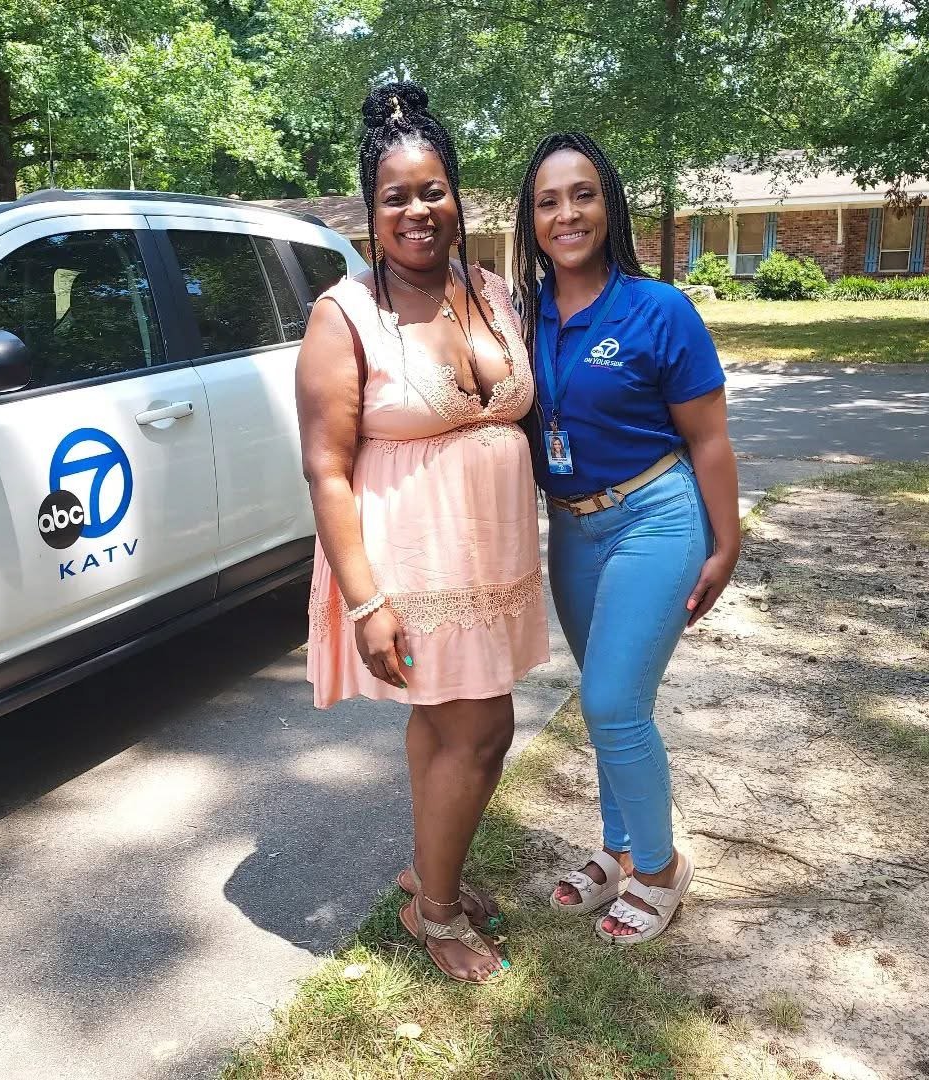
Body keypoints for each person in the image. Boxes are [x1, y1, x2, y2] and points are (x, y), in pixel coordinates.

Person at [297, 82, 549, 983]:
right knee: (481, 732)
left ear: (456, 197)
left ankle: (428, 871)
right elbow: (326, 469)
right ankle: (434, 914)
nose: (417, 210)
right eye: (395, 196)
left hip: (492, 562)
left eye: (432, 190)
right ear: (372, 213)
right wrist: (367, 602)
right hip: (412, 569)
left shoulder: (490, 291)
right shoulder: (345, 315)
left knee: (449, 731)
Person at [513, 132, 740, 945]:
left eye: (583, 194)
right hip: (573, 530)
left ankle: (660, 868)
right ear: (531, 220)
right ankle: (616, 850)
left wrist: (726, 543)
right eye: (548, 201)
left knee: (614, 701)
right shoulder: (519, 316)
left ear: (609, 204)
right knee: (603, 695)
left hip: (655, 516)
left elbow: (709, 439)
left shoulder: (659, 309)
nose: (567, 214)